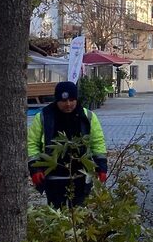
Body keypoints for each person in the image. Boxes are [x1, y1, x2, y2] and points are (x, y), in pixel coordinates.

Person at [27, 80, 108, 208]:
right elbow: (32, 144)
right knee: (56, 215)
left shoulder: (88, 116)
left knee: (79, 215)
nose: (68, 104)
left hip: (81, 175)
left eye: (72, 100)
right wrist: (34, 168)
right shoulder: (43, 116)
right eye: (63, 101)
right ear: (56, 100)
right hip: (53, 176)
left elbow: (97, 142)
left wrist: (101, 166)